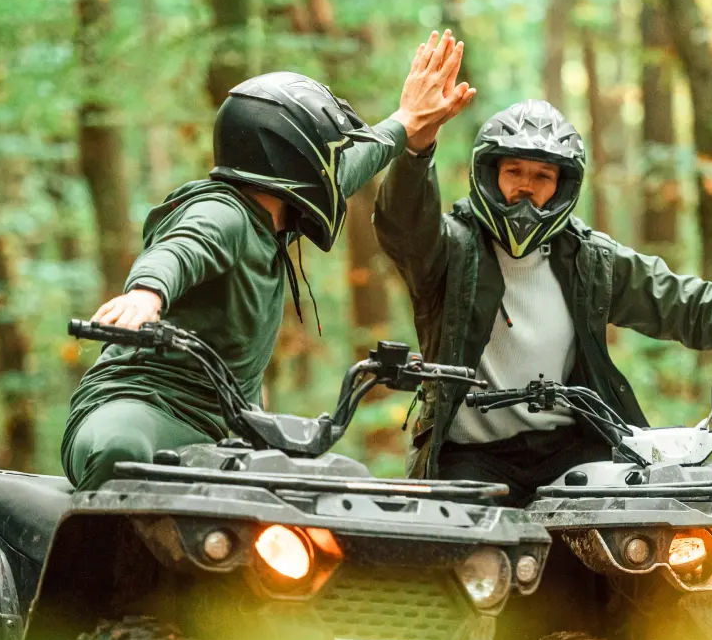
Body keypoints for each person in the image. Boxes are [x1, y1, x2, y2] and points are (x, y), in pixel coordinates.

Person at [62, 31, 475, 491]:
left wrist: (408, 123)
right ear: (291, 156)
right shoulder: (225, 212)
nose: (331, 165)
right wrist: (147, 292)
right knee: (120, 454)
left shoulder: (278, 217)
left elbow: (358, 158)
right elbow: (183, 246)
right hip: (144, 404)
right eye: (322, 151)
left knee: (315, 494)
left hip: (231, 427)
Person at [373, 98, 712, 505]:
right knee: (463, 558)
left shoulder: (588, 259)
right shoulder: (450, 251)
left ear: (561, 186)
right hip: (469, 455)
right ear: (491, 175)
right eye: (515, 172)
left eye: (542, 176)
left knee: (640, 542)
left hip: (571, 448)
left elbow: (681, 300)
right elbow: (404, 226)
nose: (526, 187)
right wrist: (416, 149)